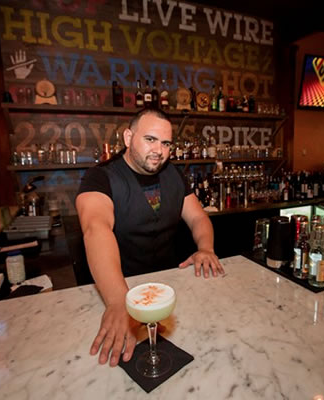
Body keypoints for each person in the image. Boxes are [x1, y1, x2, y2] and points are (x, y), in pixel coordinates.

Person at [75, 108, 224, 367]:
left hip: (167, 291)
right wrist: (118, 300)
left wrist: (206, 248)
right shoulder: (100, 177)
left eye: (166, 143)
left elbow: (198, 218)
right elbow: (95, 229)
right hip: (122, 287)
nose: (159, 150)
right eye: (150, 139)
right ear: (128, 137)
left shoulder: (174, 174)